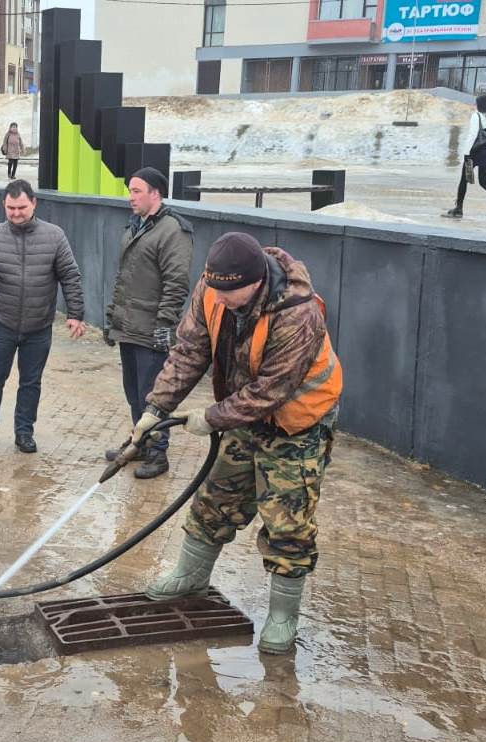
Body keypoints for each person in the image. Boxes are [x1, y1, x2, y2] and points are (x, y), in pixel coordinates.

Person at [129, 232, 343, 655]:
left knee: (287, 521)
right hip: (246, 418)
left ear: (257, 282)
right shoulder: (212, 290)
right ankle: (191, 575)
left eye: (231, 293)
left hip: (297, 424)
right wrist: (155, 409)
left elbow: (271, 392)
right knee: (216, 497)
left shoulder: (297, 313)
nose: (221, 299)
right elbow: (190, 349)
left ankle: (282, 615)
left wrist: (209, 418)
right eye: (216, 290)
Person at [0, 179, 87, 454]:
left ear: (34, 203)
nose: (16, 213)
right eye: (10, 208)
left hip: (39, 326)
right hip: (2, 323)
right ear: (4, 206)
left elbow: (70, 275)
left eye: (21, 207)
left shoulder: (54, 235)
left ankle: (24, 433)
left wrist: (76, 314)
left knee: (31, 383)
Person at [103, 166, 193, 479]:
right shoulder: (136, 227)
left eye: (136, 191)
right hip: (129, 327)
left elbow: (177, 282)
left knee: (153, 395)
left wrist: (165, 325)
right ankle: (139, 444)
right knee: (133, 392)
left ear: (155, 193)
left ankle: (158, 453)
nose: (131, 197)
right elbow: (123, 278)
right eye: (130, 191)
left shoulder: (172, 230)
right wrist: (112, 317)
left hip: (152, 329)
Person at [447, 94, 486, 220]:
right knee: (483, 181)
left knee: (464, 180)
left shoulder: (476, 116)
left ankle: (459, 208)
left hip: (474, 153)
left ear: (479, 105)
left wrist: (466, 153)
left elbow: (473, 135)